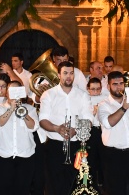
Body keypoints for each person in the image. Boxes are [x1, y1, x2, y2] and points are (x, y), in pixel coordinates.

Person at [39, 61, 93, 195]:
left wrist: (76, 130)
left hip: (76, 145)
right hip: (54, 146)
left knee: (75, 185)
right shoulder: (49, 94)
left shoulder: (83, 95)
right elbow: (43, 120)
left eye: (71, 73)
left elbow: (88, 119)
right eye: (65, 73)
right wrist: (57, 128)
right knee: (53, 185)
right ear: (58, 75)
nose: (68, 76)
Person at [97, 71, 129, 194]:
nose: (119, 87)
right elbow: (108, 123)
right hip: (114, 155)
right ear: (108, 86)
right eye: (115, 84)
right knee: (115, 190)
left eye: (121, 83)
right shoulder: (103, 105)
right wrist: (124, 107)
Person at [0, 80, 39, 194]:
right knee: (3, 190)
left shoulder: (30, 109)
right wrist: (11, 109)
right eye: (12, 90)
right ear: (7, 93)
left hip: (25, 156)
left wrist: (23, 112)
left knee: (23, 190)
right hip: (3, 155)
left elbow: (33, 127)